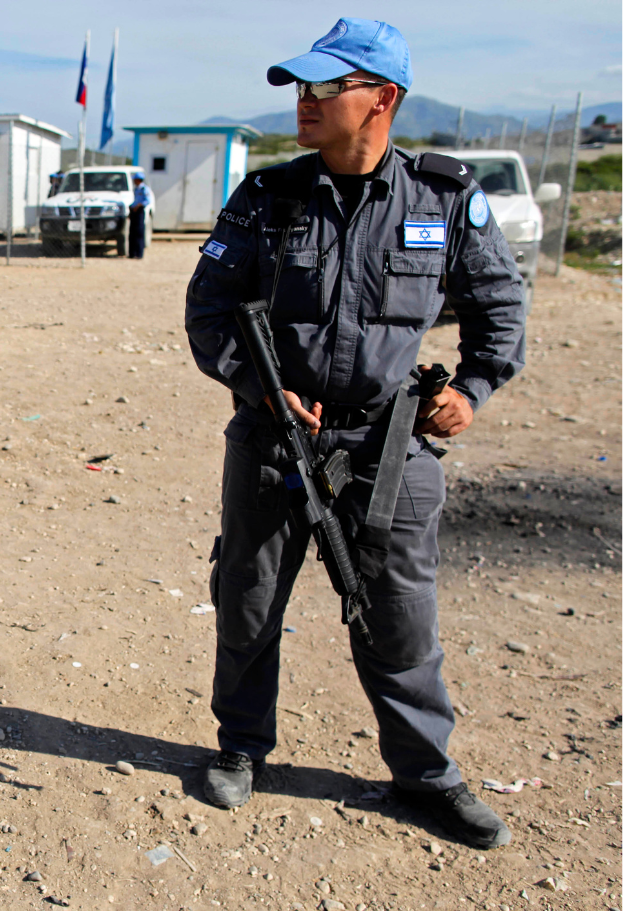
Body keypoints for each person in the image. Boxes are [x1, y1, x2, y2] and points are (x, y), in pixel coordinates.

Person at [184, 17, 524, 850]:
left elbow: (500, 310)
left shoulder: (444, 198)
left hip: (389, 446)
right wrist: (259, 386)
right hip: (273, 440)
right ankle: (240, 747)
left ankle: (426, 774)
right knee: (249, 603)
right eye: (302, 87)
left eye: (327, 87)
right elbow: (207, 310)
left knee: (400, 618)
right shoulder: (266, 199)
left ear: (384, 99)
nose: (306, 101)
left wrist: (472, 389)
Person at [128, 174, 149, 259]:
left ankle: (139, 254)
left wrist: (138, 206)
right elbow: (135, 201)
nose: (133, 181)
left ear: (138, 180)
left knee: (139, 233)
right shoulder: (136, 189)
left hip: (139, 211)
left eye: (135, 179)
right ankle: (132, 253)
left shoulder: (144, 189)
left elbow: (147, 201)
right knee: (132, 233)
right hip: (134, 211)